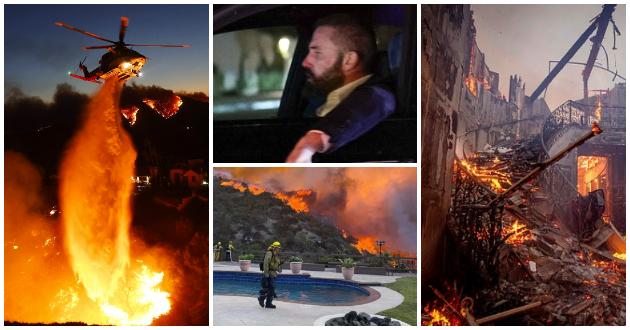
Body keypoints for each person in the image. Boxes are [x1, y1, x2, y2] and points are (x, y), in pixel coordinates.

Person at [286, 14, 396, 163]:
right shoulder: (316, 100)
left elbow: (373, 102)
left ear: (349, 60)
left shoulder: (378, 94)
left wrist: (311, 142)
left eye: (317, 53)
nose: (305, 62)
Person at [258, 241, 282, 308]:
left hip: (274, 273)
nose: (278, 249)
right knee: (271, 288)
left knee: (271, 288)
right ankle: (263, 299)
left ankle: (267, 302)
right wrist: (266, 273)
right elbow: (266, 263)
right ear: (275, 248)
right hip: (270, 273)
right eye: (278, 248)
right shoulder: (269, 253)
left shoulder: (275, 255)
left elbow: (277, 263)